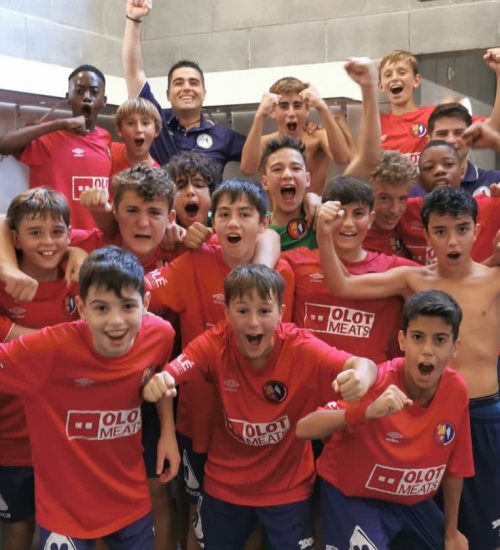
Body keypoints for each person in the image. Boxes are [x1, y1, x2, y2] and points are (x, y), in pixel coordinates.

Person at [143, 263, 377, 549]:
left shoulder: (301, 345)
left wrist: (361, 378)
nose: (253, 322)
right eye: (242, 311)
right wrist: (161, 381)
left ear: (280, 311)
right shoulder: (214, 343)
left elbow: (363, 364)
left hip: (289, 489)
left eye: (264, 311)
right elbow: (173, 373)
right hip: (225, 484)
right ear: (227, 313)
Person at [317, 186, 500, 550]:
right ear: (426, 235)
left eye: (462, 229)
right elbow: (342, 285)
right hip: (426, 414)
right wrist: (323, 234)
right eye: (441, 231)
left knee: (484, 526)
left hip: (482, 415)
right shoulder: (414, 279)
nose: (453, 240)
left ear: (476, 231)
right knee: (429, 527)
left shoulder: (495, 280)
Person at [145, 179, 292, 549]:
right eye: (224, 214)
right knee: (197, 515)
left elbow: (291, 345)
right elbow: (139, 294)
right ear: (213, 222)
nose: (233, 222)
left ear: (264, 222)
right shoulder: (194, 261)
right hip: (200, 419)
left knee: (251, 520)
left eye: (244, 214)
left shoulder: (282, 273)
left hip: (256, 423)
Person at [0, 246, 179, 548]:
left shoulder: (161, 335)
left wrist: (168, 433)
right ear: (82, 309)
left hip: (129, 502)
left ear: (146, 304)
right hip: (64, 512)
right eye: (101, 308)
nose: (116, 321)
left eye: (128, 306)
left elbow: (159, 376)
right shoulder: (47, 350)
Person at [297, 290, 473, 550]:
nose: (427, 351)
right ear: (402, 340)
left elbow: (456, 467)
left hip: (410, 501)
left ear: (455, 347)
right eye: (418, 337)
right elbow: (304, 427)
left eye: (440, 340)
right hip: (355, 497)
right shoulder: (377, 382)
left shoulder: (457, 390)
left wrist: (451, 532)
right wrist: (366, 411)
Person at [0, 188, 80, 550]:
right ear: (15, 239)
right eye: (35, 233)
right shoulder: (4, 284)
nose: (48, 242)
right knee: (18, 529)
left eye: (57, 232)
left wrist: (78, 251)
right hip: (12, 439)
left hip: (67, 440)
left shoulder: (79, 274)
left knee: (66, 530)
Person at [284, 176, 416, 364]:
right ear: (324, 214)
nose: (348, 223)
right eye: (340, 213)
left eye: (358, 213)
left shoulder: (396, 270)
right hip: (308, 379)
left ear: (371, 219)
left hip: (370, 380)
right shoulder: (294, 262)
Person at [122, 0, 245, 182]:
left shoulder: (222, 135)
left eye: (193, 82)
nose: (186, 87)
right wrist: (133, 19)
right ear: (168, 94)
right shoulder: (155, 123)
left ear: (204, 93)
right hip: (160, 200)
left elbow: (261, 151)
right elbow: (134, 73)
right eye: (178, 83)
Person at [0, 64, 112, 230]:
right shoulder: (48, 136)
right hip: (54, 239)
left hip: (95, 239)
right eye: (79, 91)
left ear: (104, 100)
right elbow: (3, 145)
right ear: (68, 97)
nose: (87, 97)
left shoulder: (107, 140)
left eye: (94, 92)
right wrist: (60, 123)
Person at [378, 48, 500, 163]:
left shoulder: (435, 116)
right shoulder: (376, 126)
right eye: (388, 75)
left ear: (416, 80)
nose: (394, 78)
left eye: (402, 72)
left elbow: (493, 127)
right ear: (381, 86)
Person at [240, 76, 352, 194]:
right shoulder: (265, 143)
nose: (291, 113)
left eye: (297, 105)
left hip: (313, 205)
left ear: (307, 110)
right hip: (273, 206)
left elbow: (343, 158)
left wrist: (322, 107)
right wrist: (260, 115)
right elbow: (247, 169)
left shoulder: (317, 137)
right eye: (284, 106)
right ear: (273, 111)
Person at [427, 102, 500, 195]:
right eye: (442, 134)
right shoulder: (412, 188)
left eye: (459, 133)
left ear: (471, 136)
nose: (451, 140)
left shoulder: (495, 181)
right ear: (429, 141)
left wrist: (495, 142)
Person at [363, 149, 418, 257]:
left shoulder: (414, 213)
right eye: (384, 198)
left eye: (402, 199)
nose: (394, 210)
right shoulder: (354, 242)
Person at [111, 97, 162, 175]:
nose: (139, 130)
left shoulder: (157, 175)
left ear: (156, 129)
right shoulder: (107, 152)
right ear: (119, 129)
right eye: (131, 123)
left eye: (145, 123)